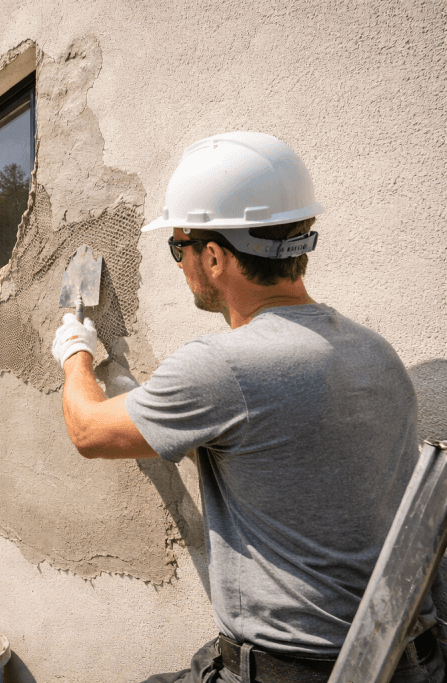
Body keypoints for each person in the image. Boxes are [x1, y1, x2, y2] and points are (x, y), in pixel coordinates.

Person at [51, 132, 443, 683]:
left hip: (302, 672)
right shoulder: (376, 353)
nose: (180, 263)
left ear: (213, 256)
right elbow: (281, 455)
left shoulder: (220, 367)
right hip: (411, 662)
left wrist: (75, 350)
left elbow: (88, 431)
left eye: (178, 247)